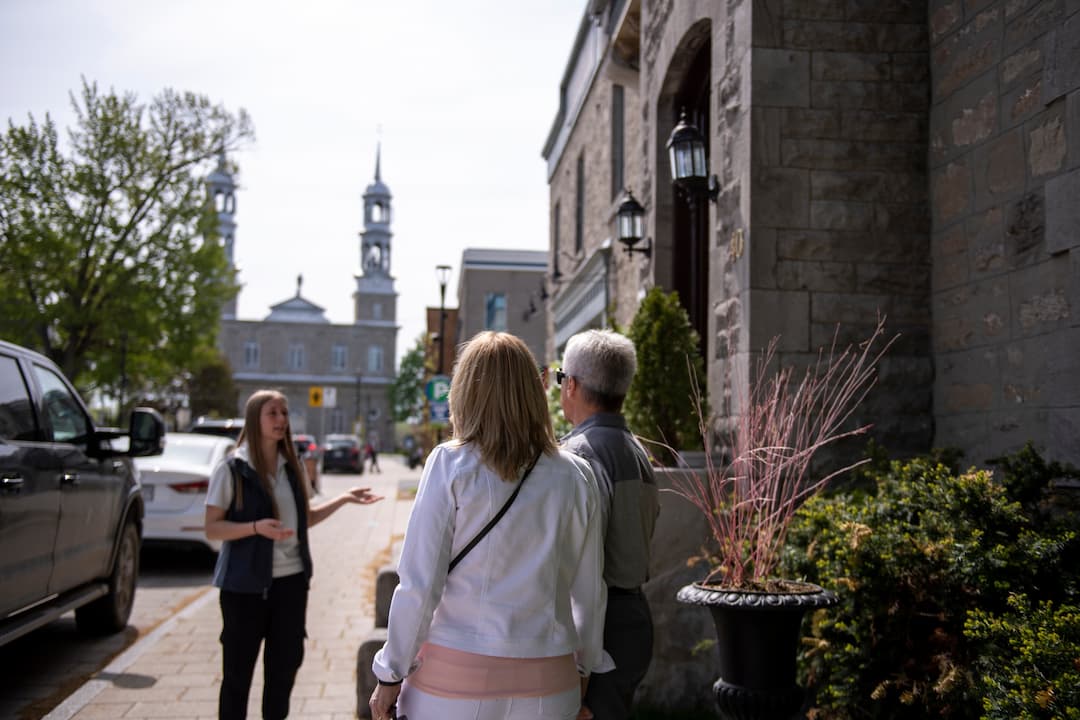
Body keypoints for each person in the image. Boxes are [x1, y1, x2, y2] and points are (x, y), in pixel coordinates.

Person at [369, 331, 611, 720]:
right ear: (534, 392)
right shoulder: (578, 475)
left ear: (465, 392)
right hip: (550, 679)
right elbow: (589, 591)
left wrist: (390, 671)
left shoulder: (450, 465)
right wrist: (584, 666)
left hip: (453, 678)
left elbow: (419, 584)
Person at [205, 389, 383, 720]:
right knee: (236, 678)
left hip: (290, 586)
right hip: (242, 588)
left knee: (283, 673)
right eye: (272, 413)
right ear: (254, 419)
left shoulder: (293, 466)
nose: (281, 420)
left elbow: (307, 519)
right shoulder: (232, 469)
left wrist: (344, 498)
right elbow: (213, 528)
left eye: (284, 413)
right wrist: (256, 528)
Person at [557, 330, 659, 720]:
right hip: (632, 616)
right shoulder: (638, 451)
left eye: (560, 377)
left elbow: (579, 561)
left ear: (571, 384)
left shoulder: (579, 455)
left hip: (596, 624)